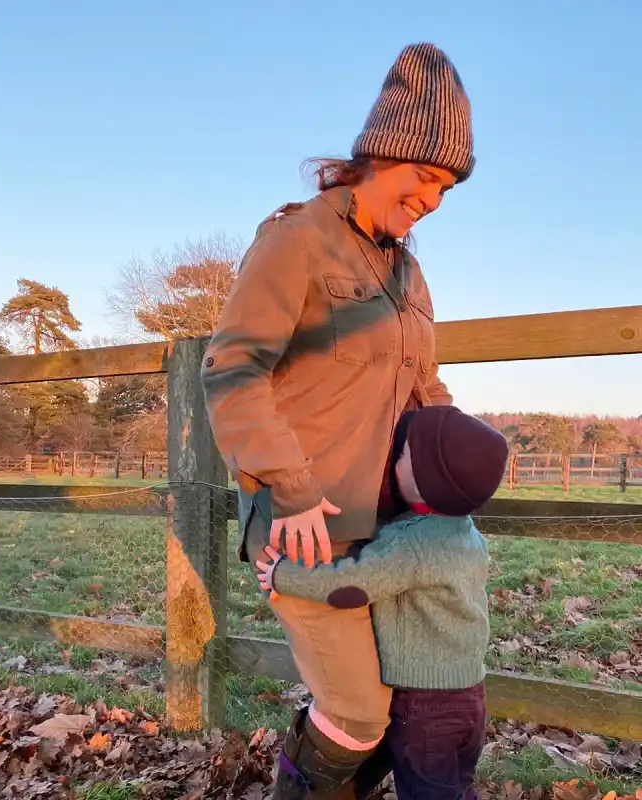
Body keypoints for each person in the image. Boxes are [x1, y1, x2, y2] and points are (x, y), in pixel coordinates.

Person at [201, 42, 475, 798]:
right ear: (379, 155)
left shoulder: (407, 273)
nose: (433, 201)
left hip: (392, 536)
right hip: (308, 528)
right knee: (358, 712)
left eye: (448, 188)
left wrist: (467, 457)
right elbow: (233, 367)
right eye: (425, 177)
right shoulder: (296, 242)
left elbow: (425, 387)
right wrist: (287, 486)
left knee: (397, 709)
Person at [257, 405, 509, 800]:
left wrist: (283, 575)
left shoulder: (411, 545)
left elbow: (351, 585)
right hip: (469, 699)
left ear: (428, 480)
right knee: (455, 787)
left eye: (403, 455)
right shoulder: (467, 534)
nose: (394, 461)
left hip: (422, 706)